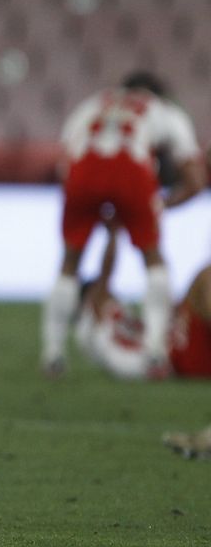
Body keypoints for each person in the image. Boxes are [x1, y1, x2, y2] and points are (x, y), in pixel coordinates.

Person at [41, 76, 203, 377]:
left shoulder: (93, 103)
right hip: (131, 167)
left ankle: (53, 353)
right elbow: (196, 180)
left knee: (70, 262)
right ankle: (155, 351)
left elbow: (66, 161)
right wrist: (158, 207)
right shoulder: (164, 110)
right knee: (153, 259)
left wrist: (96, 208)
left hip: (83, 169)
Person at [67, 220, 211, 382]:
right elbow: (106, 272)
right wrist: (113, 233)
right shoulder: (95, 314)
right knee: (205, 276)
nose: (111, 292)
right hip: (168, 359)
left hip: (168, 357)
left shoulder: (101, 329)